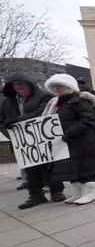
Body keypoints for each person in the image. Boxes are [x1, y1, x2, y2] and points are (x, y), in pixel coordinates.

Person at [0, 72, 65, 209]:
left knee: (50, 166)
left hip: (43, 139)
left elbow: (42, 114)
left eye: (20, 83)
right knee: (30, 170)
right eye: (14, 84)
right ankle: (36, 195)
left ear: (29, 83)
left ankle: (56, 192)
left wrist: (16, 121)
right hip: (22, 143)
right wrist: (11, 134)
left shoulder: (44, 96)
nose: (18, 87)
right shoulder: (7, 101)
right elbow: (2, 122)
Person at [42, 74, 95, 205]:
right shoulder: (58, 103)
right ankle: (79, 192)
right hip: (68, 142)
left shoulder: (79, 100)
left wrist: (69, 134)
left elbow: (89, 120)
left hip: (81, 141)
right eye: (54, 86)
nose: (57, 88)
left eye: (60, 85)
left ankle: (91, 193)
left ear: (69, 86)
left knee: (85, 167)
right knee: (73, 169)